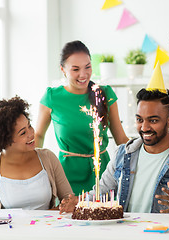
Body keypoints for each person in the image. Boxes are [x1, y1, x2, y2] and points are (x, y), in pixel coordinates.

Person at [59, 88, 169, 214]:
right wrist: (79, 202)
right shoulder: (122, 154)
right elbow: (102, 192)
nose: (144, 128)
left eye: (153, 120)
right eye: (140, 120)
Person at [35, 40, 129, 195]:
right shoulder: (52, 97)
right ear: (63, 70)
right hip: (65, 175)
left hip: (103, 173)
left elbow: (121, 138)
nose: (83, 74)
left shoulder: (105, 94)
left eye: (88, 67)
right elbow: (38, 135)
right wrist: (38, 170)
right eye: (75, 69)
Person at [0, 96, 73, 210]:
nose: (31, 133)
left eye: (29, 126)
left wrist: (49, 216)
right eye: (23, 133)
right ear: (5, 140)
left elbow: (69, 199)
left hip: (47, 227)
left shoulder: (48, 157)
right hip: (9, 228)